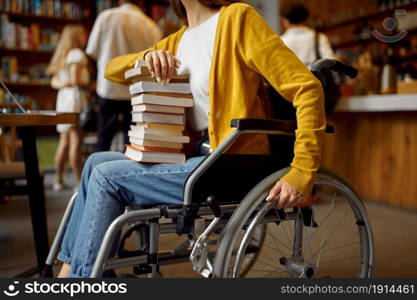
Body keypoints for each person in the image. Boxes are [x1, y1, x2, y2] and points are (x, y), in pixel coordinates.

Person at [57, 0, 326, 278]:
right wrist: (147, 56)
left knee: (106, 176)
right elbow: (111, 69)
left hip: (230, 162)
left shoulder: (237, 19)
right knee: (95, 162)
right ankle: (70, 272)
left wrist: (303, 170)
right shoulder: (178, 39)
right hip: (197, 157)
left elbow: (307, 88)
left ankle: (79, 280)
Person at [86, 0, 162, 152]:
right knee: (133, 143)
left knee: (103, 141)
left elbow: (91, 52)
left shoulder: (106, 17)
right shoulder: (150, 25)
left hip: (109, 88)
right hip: (137, 92)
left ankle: (99, 171)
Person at [46, 25, 90, 192]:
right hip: (74, 100)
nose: (86, 37)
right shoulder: (77, 54)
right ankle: (78, 181)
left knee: (64, 142)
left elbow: (54, 82)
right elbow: (76, 79)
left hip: (63, 99)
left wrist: (66, 83)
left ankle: (58, 179)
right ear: (77, 36)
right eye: (84, 34)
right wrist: (90, 84)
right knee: (76, 142)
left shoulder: (62, 56)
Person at [281, 4, 336, 68]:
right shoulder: (319, 37)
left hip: (291, 77)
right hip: (314, 77)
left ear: (285, 20)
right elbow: (331, 63)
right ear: (306, 18)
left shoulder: (281, 41)